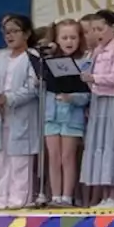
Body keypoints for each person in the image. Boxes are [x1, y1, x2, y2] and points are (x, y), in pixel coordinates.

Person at [81, 9, 114, 209]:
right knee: (100, 146)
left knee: (113, 144)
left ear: (113, 27)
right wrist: (86, 76)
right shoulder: (96, 51)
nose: (97, 33)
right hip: (99, 100)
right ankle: (104, 195)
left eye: (100, 28)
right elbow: (88, 74)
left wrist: (93, 78)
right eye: (93, 29)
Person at [0, 14, 42, 209]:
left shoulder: (32, 57)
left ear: (27, 34)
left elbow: (32, 88)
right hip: (2, 115)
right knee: (3, 159)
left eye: (15, 31)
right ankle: (1, 200)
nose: (10, 36)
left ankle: (19, 201)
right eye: (6, 32)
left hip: (22, 115)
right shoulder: (0, 57)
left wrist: (9, 98)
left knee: (20, 160)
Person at [43, 19, 90, 208]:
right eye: (64, 37)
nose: (69, 41)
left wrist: (72, 97)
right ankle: (55, 196)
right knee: (53, 156)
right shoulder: (48, 62)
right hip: (51, 114)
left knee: (68, 157)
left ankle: (67, 196)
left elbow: (87, 95)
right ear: (56, 40)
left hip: (72, 116)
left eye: (73, 37)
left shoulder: (85, 62)